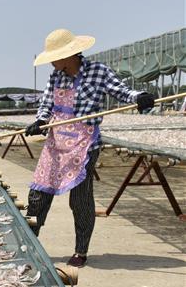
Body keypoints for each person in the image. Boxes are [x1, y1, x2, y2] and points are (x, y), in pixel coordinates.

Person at [24, 29, 155, 267]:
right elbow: (46, 104)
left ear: (69, 55)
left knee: (81, 199)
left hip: (84, 145)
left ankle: (80, 251)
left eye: (54, 57)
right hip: (56, 143)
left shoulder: (98, 72)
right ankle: (30, 243)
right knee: (39, 194)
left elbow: (122, 91)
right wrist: (41, 122)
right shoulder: (56, 77)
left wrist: (140, 96)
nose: (51, 62)